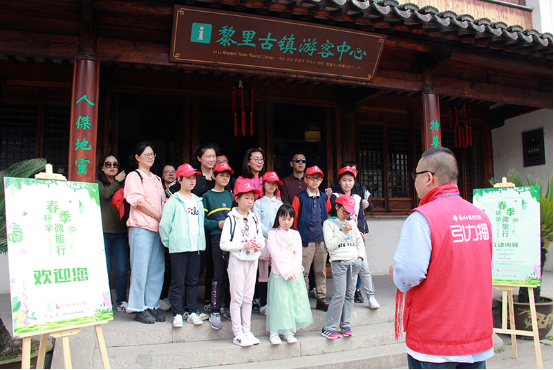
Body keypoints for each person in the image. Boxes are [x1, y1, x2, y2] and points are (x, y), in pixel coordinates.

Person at [390, 146, 494, 369]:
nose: (413, 181)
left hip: (435, 340)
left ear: (428, 178)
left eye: (415, 175)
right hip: (475, 336)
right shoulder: (480, 216)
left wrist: (395, 272)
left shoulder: (422, 218)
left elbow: (409, 274)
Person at [123, 141, 166, 324]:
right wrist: (159, 216)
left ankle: (151, 305)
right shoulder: (134, 176)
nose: (150, 157)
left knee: (156, 268)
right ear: (137, 157)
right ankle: (138, 307)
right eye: (146, 154)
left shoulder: (156, 179)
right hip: (141, 227)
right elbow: (137, 201)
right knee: (140, 269)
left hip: (156, 229)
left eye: (152, 154)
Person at [327, 165, 380, 310]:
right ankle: (345, 297)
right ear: (339, 181)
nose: (347, 183)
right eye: (344, 180)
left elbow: (361, 217)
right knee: (345, 268)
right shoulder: (335, 197)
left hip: (356, 237)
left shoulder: (357, 197)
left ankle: (371, 297)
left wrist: (362, 232)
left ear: (354, 181)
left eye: (350, 180)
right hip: (341, 236)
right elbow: (332, 216)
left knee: (364, 266)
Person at [160, 164, 206, 328]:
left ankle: (192, 311)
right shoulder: (173, 200)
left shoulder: (198, 201)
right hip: (179, 248)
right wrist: (170, 242)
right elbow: (165, 225)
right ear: (179, 179)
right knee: (178, 282)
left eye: (194, 178)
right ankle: (178, 313)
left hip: (195, 247)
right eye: (188, 178)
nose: (192, 181)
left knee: (193, 281)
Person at [220, 182, 265, 347]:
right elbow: (224, 244)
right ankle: (237, 332)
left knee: (248, 298)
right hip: (237, 261)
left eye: (252, 198)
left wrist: (259, 245)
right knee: (237, 298)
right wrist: (242, 245)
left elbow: (261, 238)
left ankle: (247, 330)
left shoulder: (254, 218)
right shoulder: (231, 219)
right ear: (237, 198)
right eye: (246, 198)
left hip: (252, 260)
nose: (250, 202)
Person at [266, 204, 312, 345]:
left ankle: (288, 331)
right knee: (279, 302)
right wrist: (286, 271)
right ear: (278, 218)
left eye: (289, 219)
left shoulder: (295, 234)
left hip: (294, 273)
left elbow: (298, 253)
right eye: (283, 218)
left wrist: (294, 270)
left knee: (291, 302)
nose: (286, 222)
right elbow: (275, 253)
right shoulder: (272, 233)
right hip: (279, 273)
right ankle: (274, 332)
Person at [321, 195, 364, 339]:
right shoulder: (329, 223)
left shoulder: (351, 222)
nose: (347, 215)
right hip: (339, 262)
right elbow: (330, 245)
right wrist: (343, 232)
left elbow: (359, 241)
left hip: (354, 262)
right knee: (339, 294)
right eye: (344, 211)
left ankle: (345, 324)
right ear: (337, 207)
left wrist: (360, 258)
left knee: (350, 294)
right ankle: (329, 327)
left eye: (349, 212)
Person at [292, 165, 330, 311]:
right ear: (306, 179)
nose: (315, 181)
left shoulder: (324, 197)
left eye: (318, 178)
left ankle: (321, 297)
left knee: (320, 271)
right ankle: (303, 299)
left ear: (321, 180)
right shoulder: (299, 197)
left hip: (321, 240)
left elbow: (326, 214)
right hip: (305, 241)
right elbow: (294, 220)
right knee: (304, 272)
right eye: (312, 178)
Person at [203, 161, 235, 329]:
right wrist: (217, 225)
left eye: (227, 175)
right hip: (216, 239)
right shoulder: (207, 196)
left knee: (232, 274)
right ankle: (215, 310)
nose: (225, 178)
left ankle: (229, 308)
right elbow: (203, 222)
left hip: (232, 241)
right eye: (221, 174)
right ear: (214, 176)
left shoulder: (231, 196)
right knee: (218, 274)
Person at [96, 152, 128, 313]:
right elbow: (104, 195)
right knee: (106, 269)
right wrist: (116, 182)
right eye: (108, 164)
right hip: (103, 232)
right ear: (102, 167)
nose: (112, 167)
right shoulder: (98, 183)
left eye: (115, 164)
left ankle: (121, 300)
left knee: (122, 270)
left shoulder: (124, 185)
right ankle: (104, 301)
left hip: (120, 232)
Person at [192, 144, 218, 313]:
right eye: (207, 156)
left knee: (214, 264)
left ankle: (209, 298)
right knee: (198, 264)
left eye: (213, 156)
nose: (211, 159)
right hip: (197, 228)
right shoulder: (195, 179)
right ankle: (190, 301)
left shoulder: (219, 178)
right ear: (199, 159)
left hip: (215, 230)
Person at [252, 171, 283, 316]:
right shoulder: (257, 203)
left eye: (274, 183)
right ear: (263, 184)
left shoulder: (279, 202)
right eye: (269, 182)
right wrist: (269, 234)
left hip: (277, 241)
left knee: (276, 273)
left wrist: (276, 234)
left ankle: (274, 302)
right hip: (264, 242)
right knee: (263, 274)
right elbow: (257, 221)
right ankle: (263, 303)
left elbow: (283, 221)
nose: (272, 185)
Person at [159, 164, 177, 312]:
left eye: (173, 172)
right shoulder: (158, 189)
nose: (170, 174)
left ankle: (167, 297)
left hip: (176, 233)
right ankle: (160, 296)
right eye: (167, 172)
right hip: (160, 230)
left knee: (171, 268)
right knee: (162, 267)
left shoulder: (178, 189)